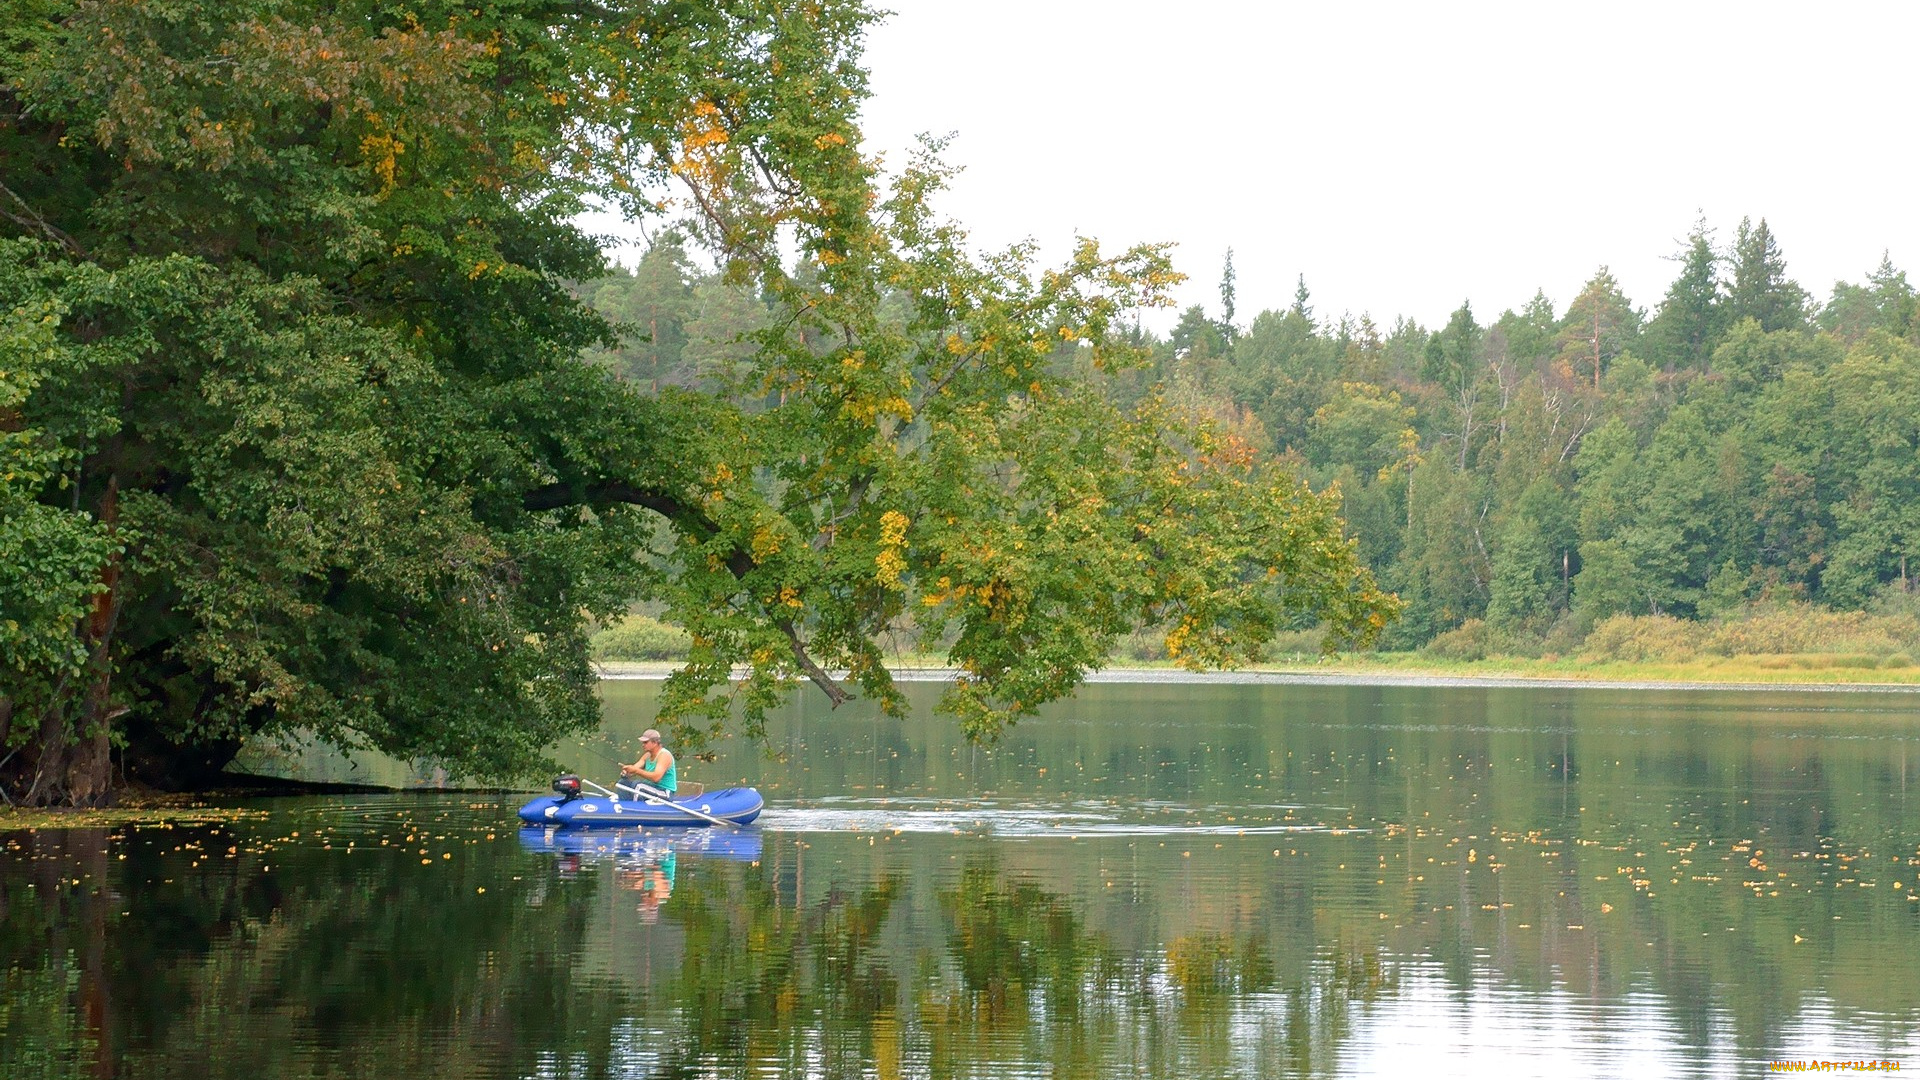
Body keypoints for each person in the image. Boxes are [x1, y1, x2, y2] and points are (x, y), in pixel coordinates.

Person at [620, 728, 677, 795]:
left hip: (664, 791)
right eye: (643, 743)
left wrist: (636, 771)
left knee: (638, 785)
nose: (643, 745)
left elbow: (656, 778)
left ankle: (635, 801)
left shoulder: (664, 755)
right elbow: (635, 768)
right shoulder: (647, 755)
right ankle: (625, 801)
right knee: (622, 784)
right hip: (651, 788)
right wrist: (627, 772)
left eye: (645, 742)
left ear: (655, 743)